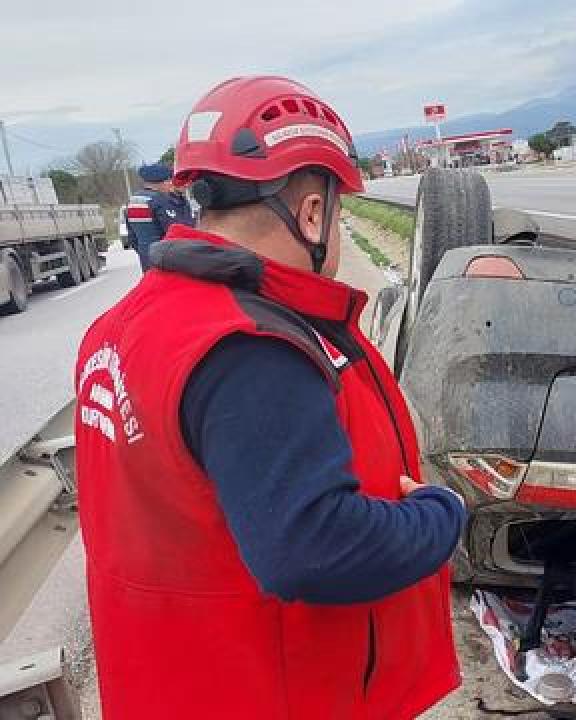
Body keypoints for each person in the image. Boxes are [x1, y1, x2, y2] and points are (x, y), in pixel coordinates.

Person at [74, 76, 466, 719]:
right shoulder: (248, 348)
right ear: (312, 212)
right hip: (267, 695)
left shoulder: (126, 326)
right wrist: (439, 516)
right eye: (336, 213)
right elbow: (314, 547)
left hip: (172, 684)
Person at [123, 162, 195, 270]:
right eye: (168, 181)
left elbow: (132, 237)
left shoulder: (133, 201)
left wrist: (144, 251)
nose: (171, 184)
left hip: (146, 259)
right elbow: (175, 231)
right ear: (159, 183)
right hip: (166, 260)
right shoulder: (160, 200)